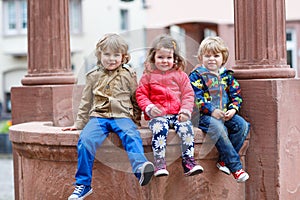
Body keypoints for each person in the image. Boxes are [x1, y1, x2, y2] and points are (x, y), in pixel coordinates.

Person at [63, 33, 154, 200]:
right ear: (100, 55)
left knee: (131, 135)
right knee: (85, 140)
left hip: (122, 116)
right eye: (107, 54)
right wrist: (79, 123)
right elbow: (86, 101)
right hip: (99, 116)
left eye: (116, 55)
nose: (111, 59)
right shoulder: (93, 75)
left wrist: (135, 120)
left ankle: (140, 167)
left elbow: (135, 98)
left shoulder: (129, 74)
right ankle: (83, 185)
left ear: (123, 57)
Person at [136, 34, 204, 177]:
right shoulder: (148, 76)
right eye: (160, 57)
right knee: (160, 129)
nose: (165, 61)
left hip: (177, 114)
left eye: (168, 58)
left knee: (186, 129)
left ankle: (188, 161)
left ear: (175, 59)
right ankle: (159, 162)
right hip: (158, 115)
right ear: (153, 57)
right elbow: (141, 95)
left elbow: (188, 94)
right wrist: (149, 108)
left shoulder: (180, 76)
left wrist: (185, 111)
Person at [189, 36, 250, 183]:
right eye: (207, 55)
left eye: (216, 55)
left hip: (225, 114)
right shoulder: (196, 76)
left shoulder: (227, 77)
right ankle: (236, 168)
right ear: (200, 58)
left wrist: (233, 109)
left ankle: (224, 161)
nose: (211, 59)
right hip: (204, 116)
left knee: (242, 126)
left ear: (223, 58)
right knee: (218, 128)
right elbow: (196, 98)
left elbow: (236, 95)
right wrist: (211, 111)